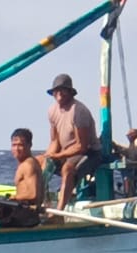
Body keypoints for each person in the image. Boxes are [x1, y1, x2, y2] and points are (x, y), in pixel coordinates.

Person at [43, 73, 98, 209]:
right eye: (56, 90)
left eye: (63, 89)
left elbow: (82, 146)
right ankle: (41, 204)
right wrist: (47, 157)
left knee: (68, 169)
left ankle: (60, 211)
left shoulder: (78, 111)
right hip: (66, 151)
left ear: (70, 92)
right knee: (39, 164)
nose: (60, 93)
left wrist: (59, 156)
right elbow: (55, 140)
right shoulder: (52, 110)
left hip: (89, 153)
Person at [0, 128, 44, 228]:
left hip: (25, 216)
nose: (16, 149)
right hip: (24, 211)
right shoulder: (27, 163)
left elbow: (32, 194)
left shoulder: (28, 165)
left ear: (29, 145)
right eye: (14, 145)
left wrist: (13, 197)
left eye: (20, 145)